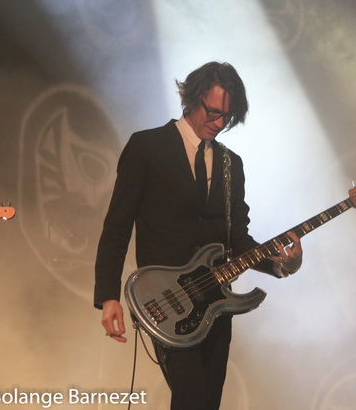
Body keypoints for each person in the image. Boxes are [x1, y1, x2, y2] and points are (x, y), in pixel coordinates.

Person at [94, 61, 303, 409]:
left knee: (207, 404)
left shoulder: (231, 164)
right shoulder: (147, 147)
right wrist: (108, 296)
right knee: (191, 399)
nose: (219, 123)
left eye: (227, 118)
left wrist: (281, 264)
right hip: (165, 301)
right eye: (213, 112)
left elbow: (239, 240)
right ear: (192, 97)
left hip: (216, 304)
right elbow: (117, 226)